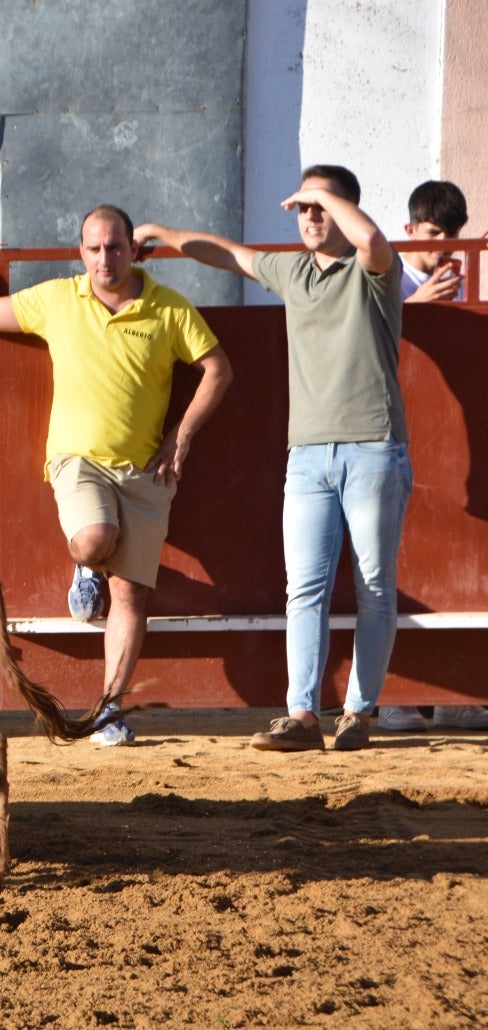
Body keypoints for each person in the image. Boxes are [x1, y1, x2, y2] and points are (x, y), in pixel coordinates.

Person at [0, 207, 232, 747]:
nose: (104, 259)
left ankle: (108, 709)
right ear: (81, 252)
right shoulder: (59, 299)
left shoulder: (168, 308)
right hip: (79, 459)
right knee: (95, 540)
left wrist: (181, 435)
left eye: (115, 247)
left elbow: (218, 368)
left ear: (133, 250)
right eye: (94, 249)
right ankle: (86, 565)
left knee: (132, 597)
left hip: (144, 471)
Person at [138, 165, 411, 753]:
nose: (310, 217)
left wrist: (321, 194)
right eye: (304, 209)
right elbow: (229, 255)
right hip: (307, 454)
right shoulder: (292, 271)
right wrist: (162, 229)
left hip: (373, 447)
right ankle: (302, 716)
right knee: (304, 588)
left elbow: (373, 242)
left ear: (344, 209)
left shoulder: (372, 272)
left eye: (322, 207)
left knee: (374, 587)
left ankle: (359, 714)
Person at [377, 181, 488, 732]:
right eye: (434, 233)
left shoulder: (463, 273)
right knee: (391, 565)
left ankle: (453, 694)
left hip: (449, 448)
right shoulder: (385, 275)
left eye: (454, 234)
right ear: (411, 229)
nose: (446, 244)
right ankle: (392, 693)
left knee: (453, 562)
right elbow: (363, 343)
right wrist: (414, 310)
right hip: (389, 437)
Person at [398, 180, 469, 304]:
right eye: (433, 233)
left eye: (451, 233)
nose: (443, 241)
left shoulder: (459, 285)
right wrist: (415, 304)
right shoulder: (390, 279)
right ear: (411, 231)